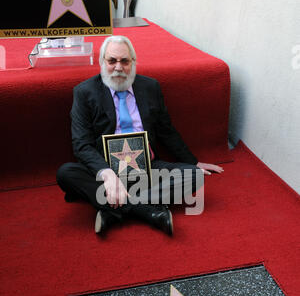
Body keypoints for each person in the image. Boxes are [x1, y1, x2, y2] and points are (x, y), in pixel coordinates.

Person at [56, 35, 223, 236]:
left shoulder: (150, 87)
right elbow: (81, 144)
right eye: (112, 61)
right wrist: (108, 174)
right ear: (102, 62)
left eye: (124, 61)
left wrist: (192, 162)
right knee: (66, 173)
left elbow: (166, 130)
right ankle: (149, 211)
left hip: (148, 169)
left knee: (194, 176)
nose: (118, 67)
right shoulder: (84, 92)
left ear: (133, 62)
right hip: (107, 171)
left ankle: (113, 211)